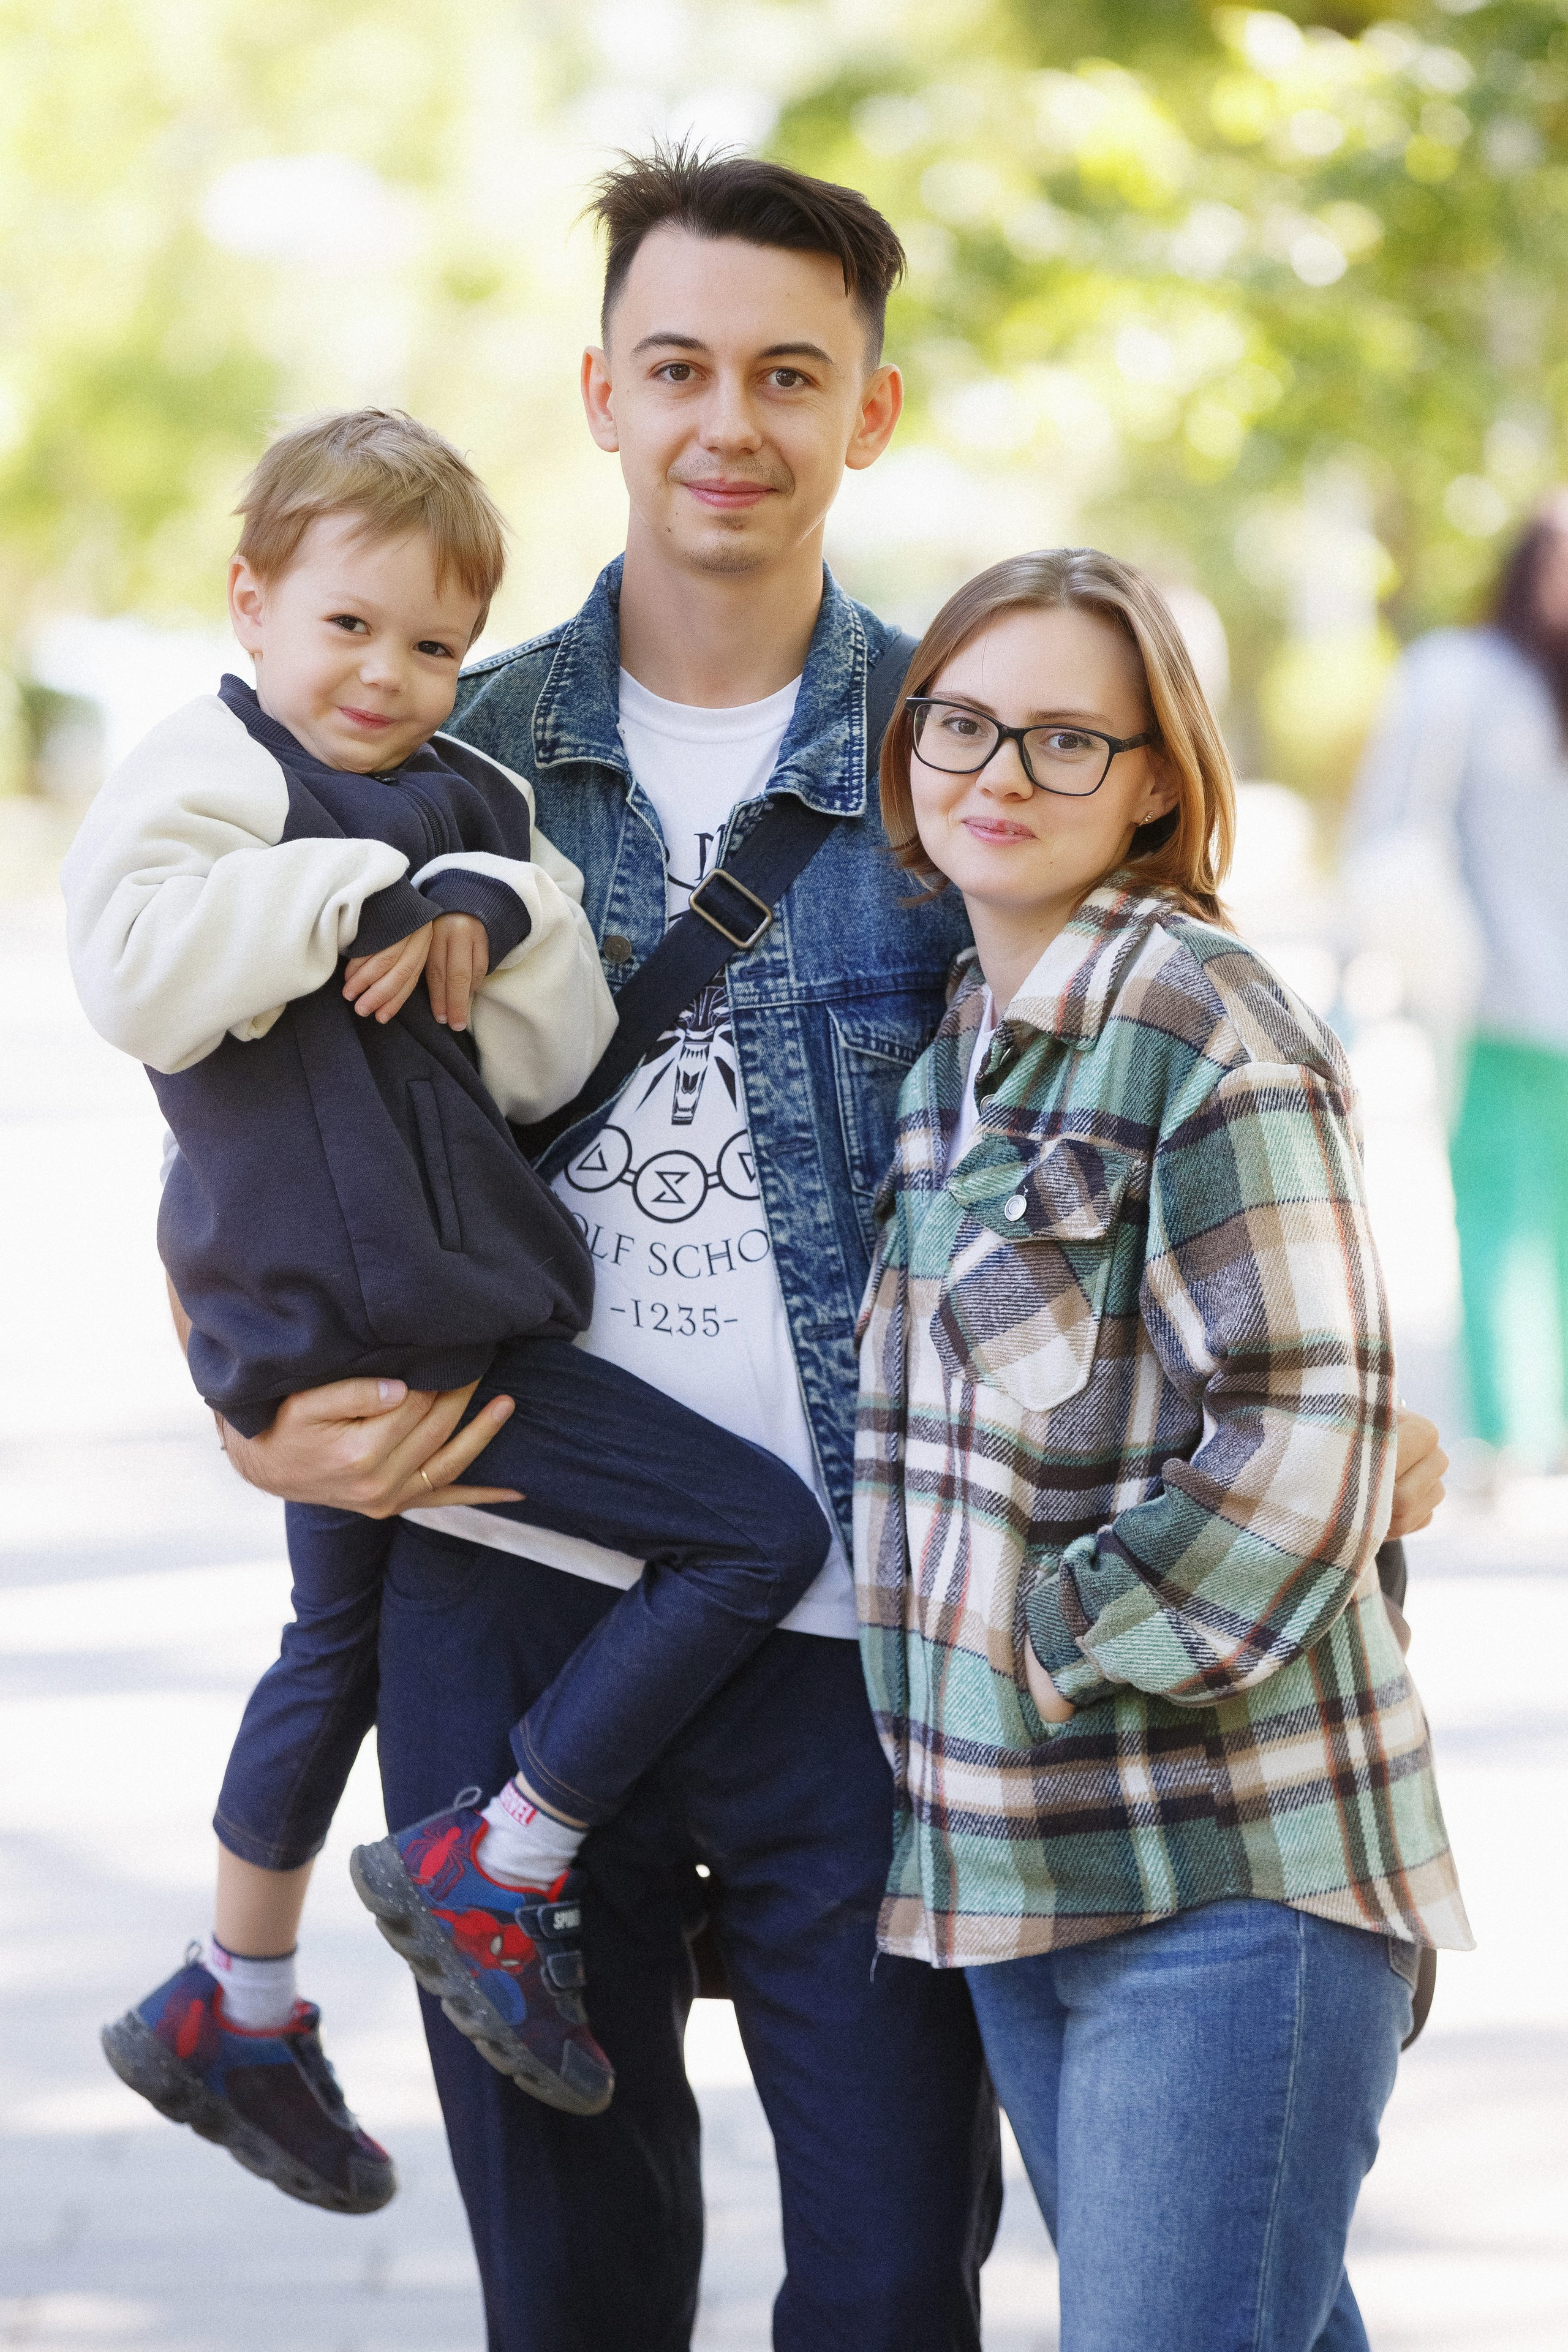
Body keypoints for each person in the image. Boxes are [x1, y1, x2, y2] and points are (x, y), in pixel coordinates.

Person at [200, 152, 1447, 2350]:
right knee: (573, 2284)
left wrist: (1346, 1410)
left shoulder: (953, 744)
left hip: (868, 1658)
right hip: (503, 1607)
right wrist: (264, 1407)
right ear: (600, 392)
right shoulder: (444, 742)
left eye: (791, 374)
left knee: (887, 2279)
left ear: (869, 411)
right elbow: (238, 1089)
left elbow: (1158, 1102)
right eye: (676, 367)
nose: (729, 423)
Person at [63, 405, 834, 2213]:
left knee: (329, 1652)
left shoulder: (474, 801)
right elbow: (130, 974)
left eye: (433, 647)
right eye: (347, 627)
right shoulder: (213, 768)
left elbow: (548, 1042)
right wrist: (360, 882)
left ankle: (234, 1999)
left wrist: (487, 896)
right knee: (751, 1532)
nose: (389, 677)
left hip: (424, 1301)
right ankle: (510, 1853)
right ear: (251, 604)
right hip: (366, 1328)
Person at [858, 546, 1472, 2352]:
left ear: (1152, 779)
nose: (1000, 773)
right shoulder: (959, 1055)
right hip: (1025, 1875)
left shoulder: (1202, 1016)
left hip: (1226, 1877)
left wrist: (1051, 1656)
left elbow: (1312, 1433)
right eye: (965, 725)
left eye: (1065, 740)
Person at [1349, 500, 1568, 1474]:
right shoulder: (1462, 676)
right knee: (1499, 1213)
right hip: (1496, 1003)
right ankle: (1518, 1432)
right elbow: (1389, 824)